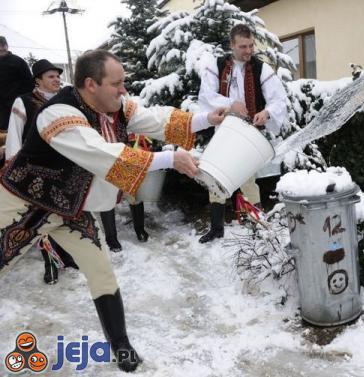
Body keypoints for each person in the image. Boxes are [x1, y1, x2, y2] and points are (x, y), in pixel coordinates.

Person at [0, 49, 225, 372]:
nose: (123, 90)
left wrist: (205, 118)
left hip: (70, 209)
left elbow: (155, 119)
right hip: (23, 204)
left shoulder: (115, 106)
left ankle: (121, 345)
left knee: (101, 271)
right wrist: (170, 159)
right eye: (116, 83)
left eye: (124, 83)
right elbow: (102, 154)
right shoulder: (57, 114)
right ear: (91, 84)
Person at [197, 23, 287, 243]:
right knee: (216, 177)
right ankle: (217, 228)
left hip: (247, 130)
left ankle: (258, 226)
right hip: (224, 129)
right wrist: (230, 104)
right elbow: (206, 95)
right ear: (232, 45)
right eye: (243, 47)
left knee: (248, 179)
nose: (248, 51)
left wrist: (266, 112)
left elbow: (279, 99)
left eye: (251, 46)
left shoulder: (261, 68)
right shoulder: (216, 66)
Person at [4, 59, 67, 284]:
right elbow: (14, 135)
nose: (57, 79)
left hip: (62, 168)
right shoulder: (24, 102)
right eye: (51, 76)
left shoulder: (63, 101)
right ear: (38, 80)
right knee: (41, 217)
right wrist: (16, 170)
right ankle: (50, 263)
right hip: (34, 171)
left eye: (58, 76)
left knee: (63, 213)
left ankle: (66, 255)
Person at [0, 36, 34, 135]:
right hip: (0, 106)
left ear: (7, 46)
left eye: (3, 46)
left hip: (16, 102)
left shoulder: (18, 61)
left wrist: (20, 97)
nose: (1, 49)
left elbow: (29, 82)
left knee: (17, 129)